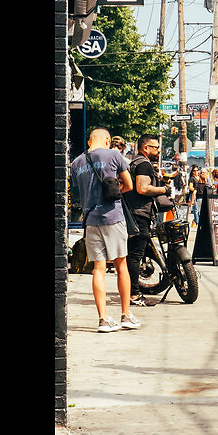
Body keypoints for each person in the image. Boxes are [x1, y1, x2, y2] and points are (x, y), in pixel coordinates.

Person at [69, 128, 139, 332]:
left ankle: (103, 319)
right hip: (112, 216)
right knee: (121, 265)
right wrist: (117, 192)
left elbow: (76, 192)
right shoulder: (114, 155)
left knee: (98, 269)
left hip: (91, 219)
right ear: (108, 141)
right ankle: (126, 314)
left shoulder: (76, 163)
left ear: (89, 142)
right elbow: (129, 184)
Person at [123, 134, 169, 307]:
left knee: (133, 254)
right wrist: (163, 190)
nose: (158, 150)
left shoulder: (135, 162)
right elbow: (142, 188)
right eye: (155, 147)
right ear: (145, 148)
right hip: (139, 214)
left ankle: (131, 291)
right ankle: (134, 294)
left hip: (135, 212)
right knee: (135, 255)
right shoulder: (143, 164)